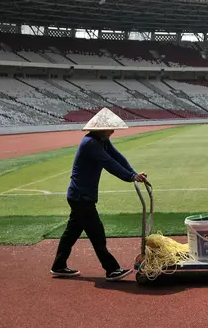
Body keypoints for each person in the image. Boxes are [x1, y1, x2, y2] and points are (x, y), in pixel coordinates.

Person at [51, 107, 147, 281]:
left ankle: (58, 265)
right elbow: (108, 163)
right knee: (97, 233)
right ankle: (111, 269)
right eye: (109, 129)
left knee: (72, 232)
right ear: (100, 129)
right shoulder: (90, 143)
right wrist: (130, 176)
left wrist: (133, 173)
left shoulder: (101, 141)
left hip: (81, 196)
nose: (112, 132)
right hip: (81, 197)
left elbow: (117, 157)